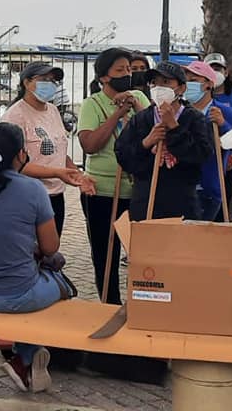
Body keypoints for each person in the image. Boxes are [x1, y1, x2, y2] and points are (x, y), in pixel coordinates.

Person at [0, 123, 76, 393]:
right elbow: (51, 247)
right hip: (16, 295)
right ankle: (26, 355)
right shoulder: (33, 189)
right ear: (21, 154)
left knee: (29, 273)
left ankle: (25, 361)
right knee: (59, 280)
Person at [76, 48, 150, 304]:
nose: (127, 74)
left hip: (136, 191)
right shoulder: (92, 104)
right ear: (104, 77)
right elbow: (90, 145)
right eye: (120, 70)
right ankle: (110, 304)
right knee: (105, 254)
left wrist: (135, 106)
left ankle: (142, 302)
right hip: (102, 192)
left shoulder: (138, 97)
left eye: (128, 69)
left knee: (142, 253)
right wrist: (117, 114)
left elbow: (154, 131)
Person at [3, 62, 96, 233]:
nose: (50, 84)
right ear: (27, 82)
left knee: (52, 246)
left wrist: (78, 175)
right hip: (27, 195)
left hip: (55, 196)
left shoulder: (52, 111)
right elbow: (15, 165)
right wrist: (57, 172)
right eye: (44, 79)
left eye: (53, 81)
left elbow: (58, 152)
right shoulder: (15, 116)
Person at [115, 61, 212, 221]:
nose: (159, 88)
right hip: (145, 203)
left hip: (182, 203)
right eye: (154, 83)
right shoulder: (141, 119)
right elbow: (123, 156)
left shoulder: (194, 118)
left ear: (181, 88)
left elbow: (202, 154)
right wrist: (146, 142)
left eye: (166, 82)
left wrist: (174, 128)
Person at [182, 60, 232, 222]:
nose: (188, 85)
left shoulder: (222, 110)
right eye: (186, 80)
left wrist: (223, 124)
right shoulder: (180, 111)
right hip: (181, 186)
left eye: (194, 80)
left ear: (208, 84)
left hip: (209, 187)